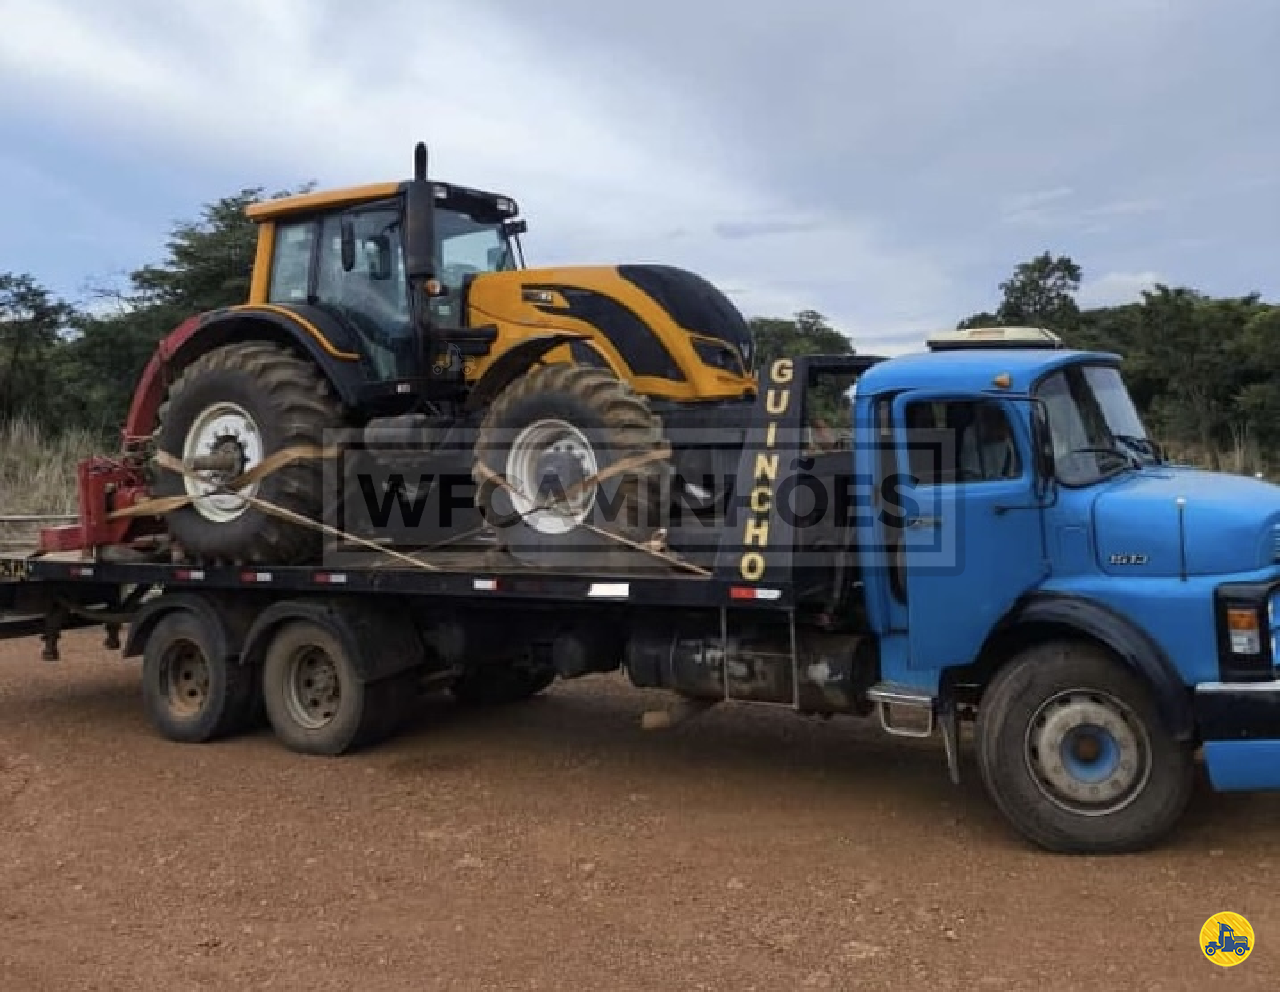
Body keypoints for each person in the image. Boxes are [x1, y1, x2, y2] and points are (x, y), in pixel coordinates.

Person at [962, 404, 1018, 479]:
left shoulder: (970, 433)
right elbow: (1010, 469)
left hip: (975, 484)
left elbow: (967, 466)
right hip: (1001, 485)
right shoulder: (1007, 436)